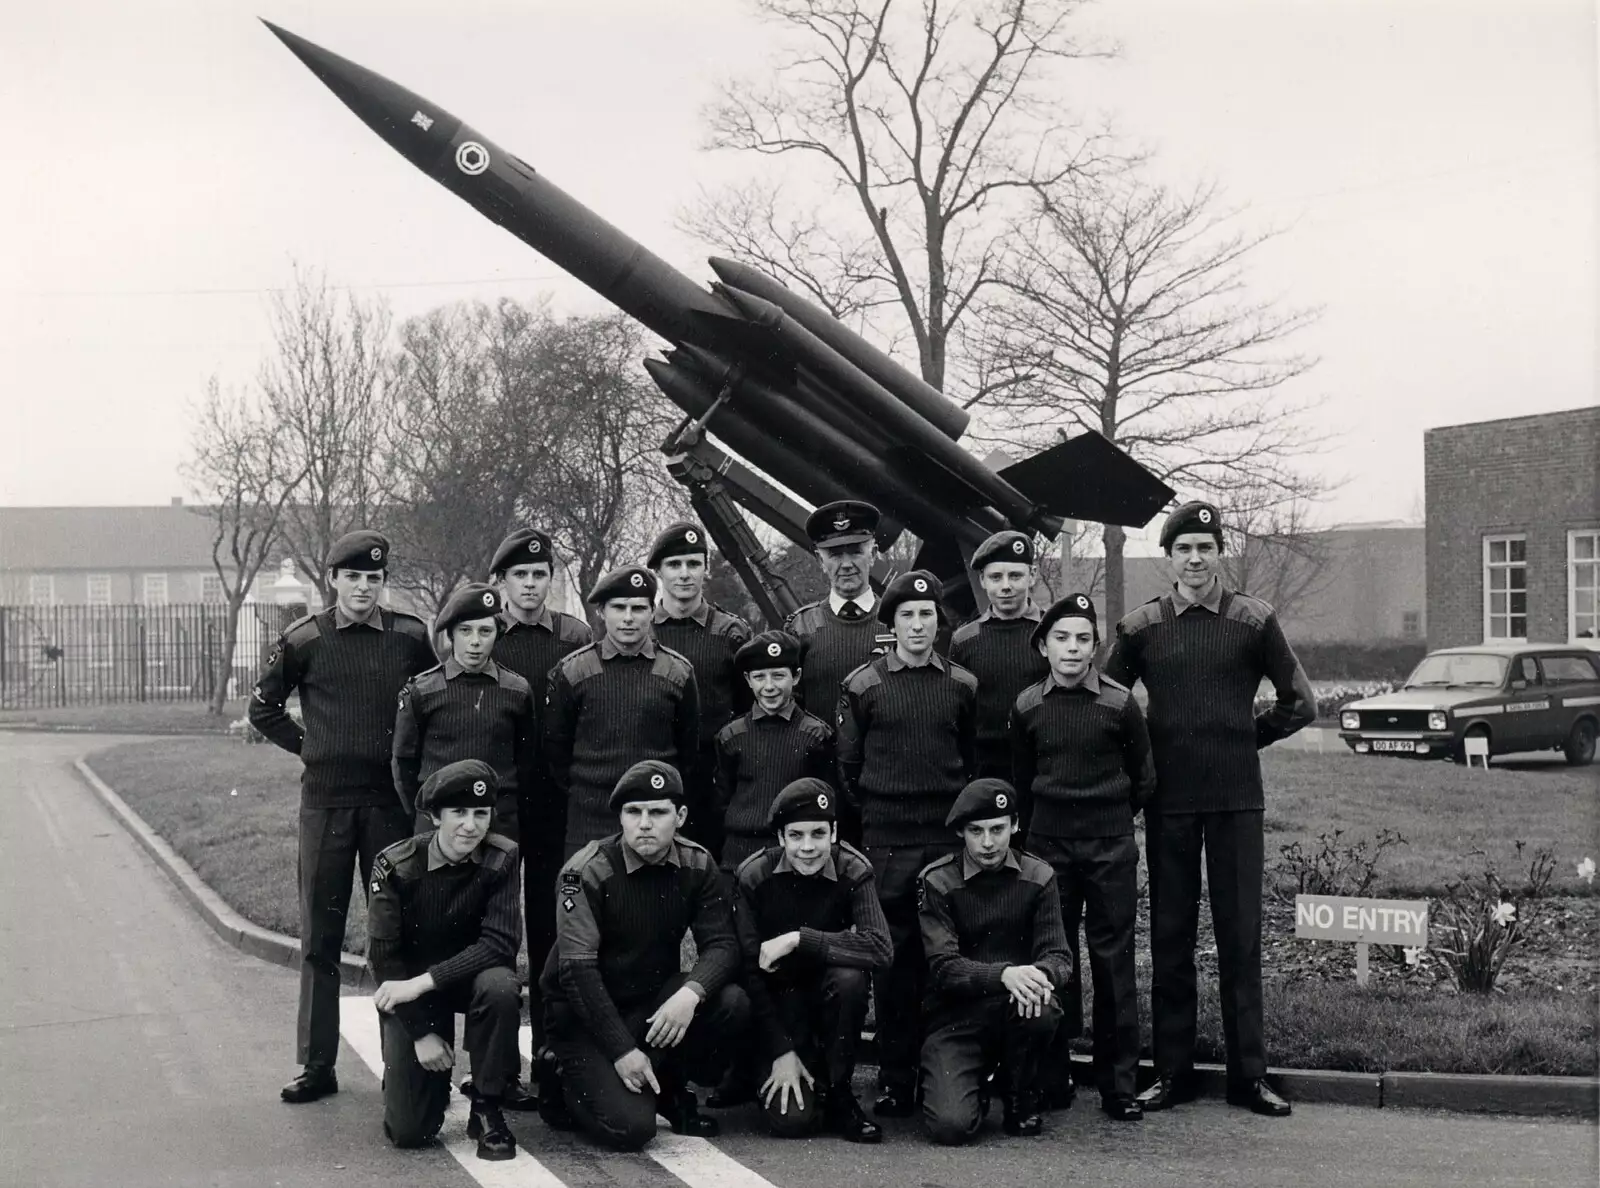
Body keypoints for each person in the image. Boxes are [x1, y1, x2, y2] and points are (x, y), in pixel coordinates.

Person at [1103, 500, 1315, 1118]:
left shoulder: (1253, 619)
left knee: (1240, 940)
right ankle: (1172, 1074)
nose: (1194, 559)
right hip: (1168, 803)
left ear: (1220, 551)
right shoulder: (1141, 626)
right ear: (1168, 558)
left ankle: (1249, 1077)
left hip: (1237, 802)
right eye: (1182, 549)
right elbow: (1106, 703)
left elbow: (1301, 702)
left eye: (1205, 547)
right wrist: (1145, 750)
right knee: (1170, 938)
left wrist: (1249, 734)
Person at [249, 529, 437, 1104]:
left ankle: (403, 1062)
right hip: (326, 806)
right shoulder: (304, 638)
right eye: (352, 577)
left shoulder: (409, 637)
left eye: (373, 578)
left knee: (395, 935)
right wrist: (311, 745)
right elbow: (263, 708)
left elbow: (432, 697)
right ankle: (316, 1066)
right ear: (333, 579)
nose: (363, 587)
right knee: (320, 938)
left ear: (384, 583)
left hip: (389, 806)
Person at [538, 760, 751, 1152]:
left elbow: (723, 945)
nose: (645, 823)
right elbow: (577, 974)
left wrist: (690, 994)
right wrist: (622, 1051)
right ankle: (561, 1077)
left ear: (681, 816)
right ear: (620, 817)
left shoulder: (698, 863)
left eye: (658, 812)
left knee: (729, 1002)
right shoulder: (585, 871)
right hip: (584, 1014)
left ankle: (669, 1088)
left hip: (648, 1002)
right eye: (634, 812)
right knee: (631, 1129)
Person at [836, 568, 977, 1116]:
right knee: (892, 963)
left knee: (942, 956)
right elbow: (848, 769)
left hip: (943, 841)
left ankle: (940, 1073)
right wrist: (880, 819)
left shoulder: (961, 685)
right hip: (887, 843)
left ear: (939, 622)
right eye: (906, 616)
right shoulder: (864, 684)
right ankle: (895, 1078)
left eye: (926, 616)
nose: (918, 625)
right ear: (891, 624)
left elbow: (970, 762)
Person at [1010, 592, 1154, 1121]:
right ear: (1044, 646)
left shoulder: (1119, 703)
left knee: (1113, 959)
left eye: (1083, 639)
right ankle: (1056, 1073)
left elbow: (1144, 779)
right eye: (1062, 638)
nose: (1073, 649)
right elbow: (1023, 782)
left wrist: (1107, 823)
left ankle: (1118, 1083)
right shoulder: (1028, 705)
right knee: (1055, 955)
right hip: (1049, 849)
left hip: (1110, 846)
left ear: (1096, 647)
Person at [366, 760, 523, 1159]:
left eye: (480, 814)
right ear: (435, 816)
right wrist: (419, 1033)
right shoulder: (396, 864)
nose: (470, 826)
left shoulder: (502, 857)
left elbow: (500, 945)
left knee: (501, 985)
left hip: (463, 982)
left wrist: (423, 981)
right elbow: (385, 958)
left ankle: (486, 1106)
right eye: (458, 813)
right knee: (411, 1131)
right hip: (413, 995)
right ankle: (404, 1072)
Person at [487, 526, 592, 1090]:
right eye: (519, 576)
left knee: (553, 924)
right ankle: (498, 1063)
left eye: (539, 575)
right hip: (500, 797)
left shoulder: (573, 634)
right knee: (498, 925)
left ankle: (552, 1051)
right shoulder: (485, 633)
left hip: (555, 797)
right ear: (500, 582)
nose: (530, 586)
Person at [731, 778, 891, 1142]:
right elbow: (747, 971)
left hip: (825, 1000)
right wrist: (781, 1050)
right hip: (775, 1006)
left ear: (833, 832)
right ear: (780, 838)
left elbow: (881, 948)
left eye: (818, 834)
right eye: (796, 835)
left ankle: (839, 1091)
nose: (807, 847)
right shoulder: (753, 875)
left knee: (850, 979)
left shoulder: (853, 869)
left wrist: (800, 939)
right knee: (793, 1124)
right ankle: (755, 1070)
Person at [917, 778, 1071, 1145]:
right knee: (951, 1127)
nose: (988, 843)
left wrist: (1038, 976)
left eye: (998, 829)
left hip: (1016, 1010)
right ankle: (970, 1082)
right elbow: (944, 968)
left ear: (1015, 825)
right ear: (961, 832)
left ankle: (1019, 1093)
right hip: (956, 1017)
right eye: (976, 831)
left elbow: (1060, 957)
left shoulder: (1039, 875)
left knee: (1043, 1006)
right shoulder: (937, 880)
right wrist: (1005, 974)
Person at [543, 565, 700, 857]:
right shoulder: (572, 671)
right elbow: (557, 751)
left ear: (652, 612)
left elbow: (687, 751)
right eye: (618, 607)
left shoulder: (677, 672)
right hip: (590, 822)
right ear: (602, 611)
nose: (628, 618)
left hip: (652, 821)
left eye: (638, 608)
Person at [392, 583, 537, 839]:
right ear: (451, 634)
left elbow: (525, 762)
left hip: (497, 822)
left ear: (497, 634)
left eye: (485, 631)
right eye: (465, 631)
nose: (475, 642)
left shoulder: (517, 690)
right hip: (438, 824)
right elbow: (404, 763)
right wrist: (426, 814)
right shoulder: (423, 690)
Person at [648, 520, 753, 853]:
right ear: (658, 572)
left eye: (693, 564)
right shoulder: (642, 633)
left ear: (705, 569)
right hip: (657, 773)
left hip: (716, 780)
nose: (684, 573)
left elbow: (747, 709)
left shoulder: (731, 634)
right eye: (674, 564)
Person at [714, 631, 836, 874]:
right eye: (760, 677)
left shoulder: (817, 735)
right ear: (748, 679)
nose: (769, 687)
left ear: (796, 676)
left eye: (779, 676)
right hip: (739, 854)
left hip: (796, 855)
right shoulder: (731, 736)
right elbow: (721, 800)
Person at [949, 531, 1049, 782]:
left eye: (1015, 575)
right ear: (982, 580)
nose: (1006, 586)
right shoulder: (964, 640)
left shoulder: (1054, 633)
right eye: (996, 577)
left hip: (1043, 765)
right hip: (985, 769)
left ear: (1033, 575)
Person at [783, 500, 884, 721]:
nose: (846, 564)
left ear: (873, 554)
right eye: (835, 554)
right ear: (820, 559)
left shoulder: (897, 621)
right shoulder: (800, 628)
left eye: (856, 552)